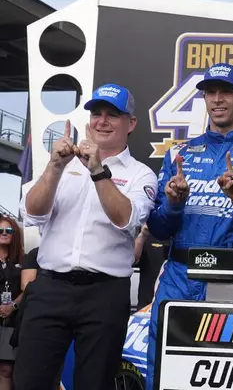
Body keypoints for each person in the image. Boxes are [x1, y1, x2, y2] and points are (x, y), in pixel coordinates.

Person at [146, 63, 233, 389]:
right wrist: (173, 204)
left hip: (231, 283)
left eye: (226, 92)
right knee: (163, 372)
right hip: (178, 277)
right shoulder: (179, 154)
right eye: (210, 92)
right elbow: (159, 230)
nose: (217, 99)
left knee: (224, 377)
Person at [15, 84, 157, 390]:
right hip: (50, 287)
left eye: (113, 115)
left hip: (104, 295)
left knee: (94, 384)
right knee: (29, 382)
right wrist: (54, 167)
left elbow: (126, 220)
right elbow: (33, 214)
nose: (102, 121)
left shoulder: (140, 174)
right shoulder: (61, 164)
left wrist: (97, 170)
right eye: (96, 114)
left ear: (130, 124)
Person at [0, 217, 24, 390]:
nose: (3, 234)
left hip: (12, 320)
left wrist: (12, 306)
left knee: (6, 369)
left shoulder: (23, 260)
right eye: (0, 230)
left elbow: (28, 287)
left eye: (8, 231)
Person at [133, 224, 168, 310]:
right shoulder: (149, 232)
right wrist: (142, 235)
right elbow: (132, 260)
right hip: (147, 307)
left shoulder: (186, 235)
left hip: (175, 306)